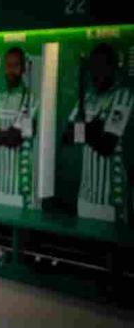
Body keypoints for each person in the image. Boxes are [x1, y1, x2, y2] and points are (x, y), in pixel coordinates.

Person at [62, 43, 133, 222]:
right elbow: (67, 137)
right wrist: (94, 128)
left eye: (102, 67)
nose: (96, 73)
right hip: (85, 195)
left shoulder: (123, 96)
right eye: (93, 67)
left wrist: (83, 129)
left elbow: (106, 145)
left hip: (111, 197)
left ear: (113, 68)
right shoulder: (87, 97)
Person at [0, 47, 38, 208]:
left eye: (15, 65)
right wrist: (7, 135)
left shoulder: (31, 99)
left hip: (22, 188)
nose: (11, 70)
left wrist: (0, 134)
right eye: (8, 65)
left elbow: (15, 138)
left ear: (23, 68)